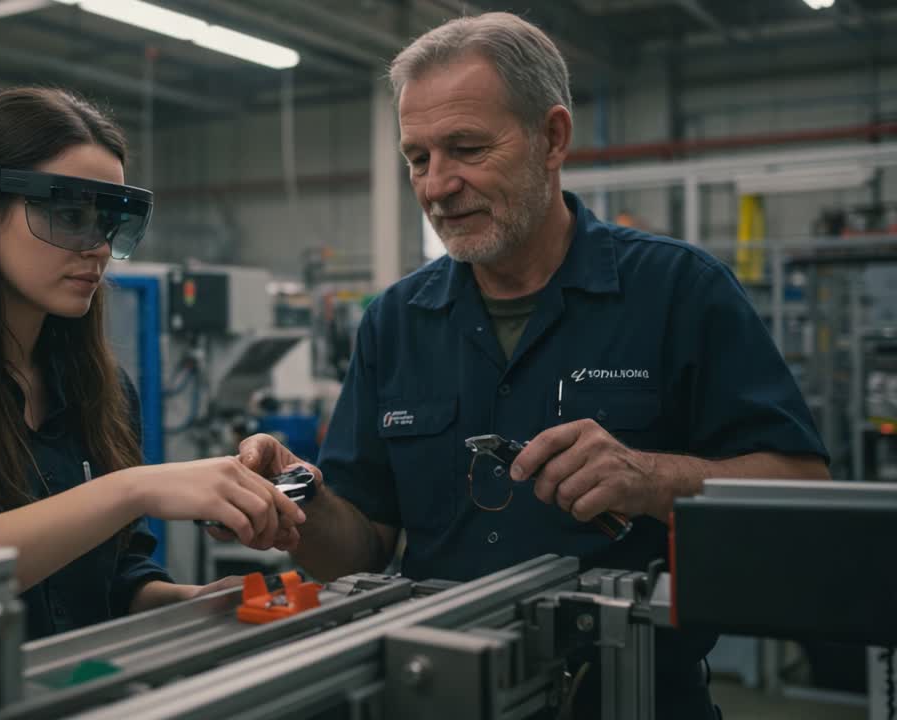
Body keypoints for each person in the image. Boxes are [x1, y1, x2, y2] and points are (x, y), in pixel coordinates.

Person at [231, 13, 830, 719]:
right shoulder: (396, 323)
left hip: (637, 697)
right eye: (418, 159)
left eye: (466, 148)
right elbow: (362, 549)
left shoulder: (677, 291)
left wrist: (649, 478)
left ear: (553, 138)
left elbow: (804, 492)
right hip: (440, 692)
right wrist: (294, 503)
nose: (437, 186)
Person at [0, 86, 304, 692]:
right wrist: (133, 488)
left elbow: (117, 579)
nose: (96, 247)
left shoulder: (102, 389)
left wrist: (191, 602)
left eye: (109, 222)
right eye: (68, 215)